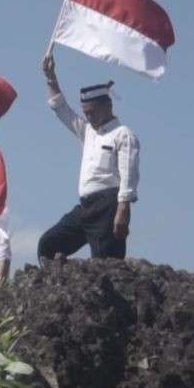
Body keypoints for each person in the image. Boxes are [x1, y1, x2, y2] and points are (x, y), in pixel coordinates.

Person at [37, 53, 140, 267]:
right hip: (85, 207)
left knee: (106, 264)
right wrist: (50, 77)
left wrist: (123, 210)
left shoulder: (123, 134)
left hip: (108, 205)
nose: (89, 118)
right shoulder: (88, 131)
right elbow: (61, 108)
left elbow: (129, 176)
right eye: (86, 113)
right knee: (48, 245)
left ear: (107, 107)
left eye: (92, 112)